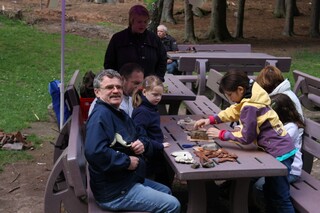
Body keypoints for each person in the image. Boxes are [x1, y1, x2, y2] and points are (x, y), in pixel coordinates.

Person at [193, 70, 296, 213]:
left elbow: (246, 137)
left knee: (280, 197)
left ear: (240, 89)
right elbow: (234, 111)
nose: (230, 98)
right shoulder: (252, 93)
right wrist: (211, 119)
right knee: (270, 191)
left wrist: (222, 134)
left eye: (230, 95)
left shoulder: (250, 106)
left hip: (280, 153)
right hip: (278, 150)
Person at [85, 69, 181, 212]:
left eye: (118, 87)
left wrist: (142, 144)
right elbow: (94, 152)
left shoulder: (118, 112)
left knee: (165, 190)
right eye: (110, 87)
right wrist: (127, 162)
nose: (116, 91)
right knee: (172, 205)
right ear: (97, 92)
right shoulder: (100, 116)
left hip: (126, 180)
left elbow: (140, 133)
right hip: (114, 192)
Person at [104, 4, 167, 81]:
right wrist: (116, 81)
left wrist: (158, 79)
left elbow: (162, 60)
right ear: (132, 21)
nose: (143, 25)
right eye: (139, 22)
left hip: (149, 85)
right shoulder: (118, 39)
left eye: (145, 21)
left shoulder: (154, 39)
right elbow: (109, 63)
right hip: (124, 85)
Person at [131, 75, 174, 187]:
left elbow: (151, 128)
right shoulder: (142, 112)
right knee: (162, 173)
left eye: (160, 95)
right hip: (149, 154)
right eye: (155, 94)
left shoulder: (150, 107)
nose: (158, 98)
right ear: (144, 92)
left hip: (154, 148)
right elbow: (140, 137)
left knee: (166, 170)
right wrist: (159, 145)